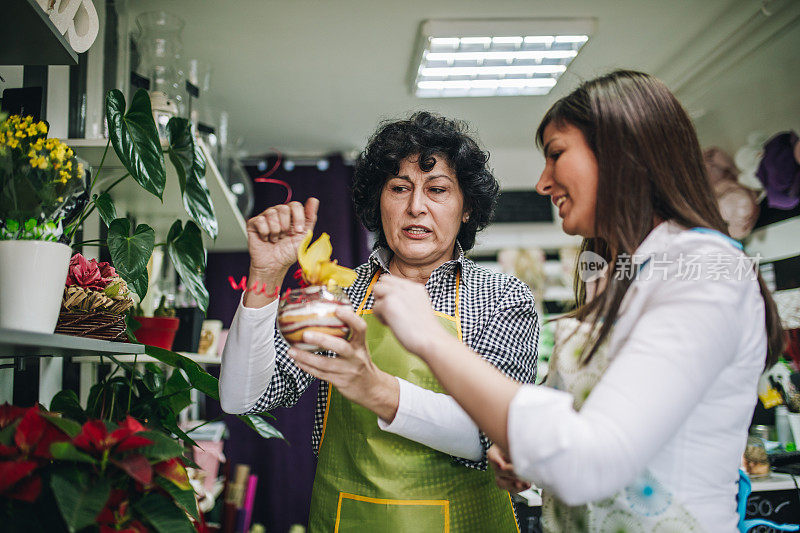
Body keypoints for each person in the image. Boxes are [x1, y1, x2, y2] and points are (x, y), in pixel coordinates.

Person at [295, 71, 784, 532]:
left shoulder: (705, 273)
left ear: (619, 156)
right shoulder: (624, 274)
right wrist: (526, 455)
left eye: (555, 154)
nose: (542, 182)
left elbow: (590, 461)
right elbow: (584, 426)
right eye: (399, 189)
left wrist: (426, 338)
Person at [220, 111, 538, 531]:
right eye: (399, 188)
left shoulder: (502, 297)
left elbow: (491, 434)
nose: (416, 207)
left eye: (437, 189)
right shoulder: (338, 293)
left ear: (466, 209)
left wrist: (376, 390)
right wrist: (264, 277)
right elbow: (244, 398)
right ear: (379, 202)